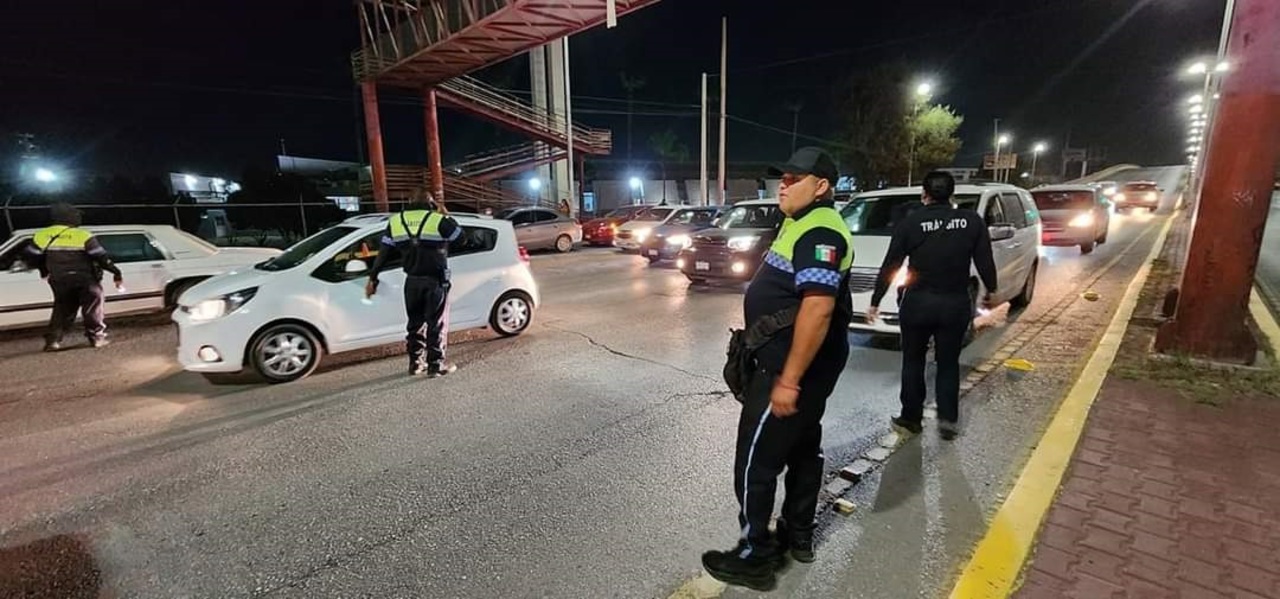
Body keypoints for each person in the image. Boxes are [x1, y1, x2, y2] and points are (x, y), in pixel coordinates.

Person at [703, 147, 854, 591]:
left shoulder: (821, 231)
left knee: (755, 464)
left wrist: (789, 379)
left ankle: (755, 556)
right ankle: (798, 534)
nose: (782, 187)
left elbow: (818, 308)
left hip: (787, 370)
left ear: (821, 186)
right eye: (782, 179)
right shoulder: (801, 222)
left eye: (793, 179)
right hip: (796, 366)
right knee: (804, 448)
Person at [866, 171, 998, 440]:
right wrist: (991, 291)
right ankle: (948, 420)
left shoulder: (910, 223)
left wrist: (875, 301)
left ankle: (911, 418)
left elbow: (891, 265)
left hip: (918, 304)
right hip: (955, 303)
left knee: (913, 361)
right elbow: (985, 260)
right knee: (948, 362)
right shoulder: (971, 221)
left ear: (924, 194)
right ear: (952, 194)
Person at [365, 189, 462, 377]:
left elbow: (384, 253)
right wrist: (446, 216)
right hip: (435, 281)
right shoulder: (437, 220)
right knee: (436, 323)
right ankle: (435, 365)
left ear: (409, 201)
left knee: (414, 323)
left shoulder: (396, 222)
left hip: (411, 282)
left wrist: (373, 278)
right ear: (431, 203)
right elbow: (461, 238)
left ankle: (415, 363)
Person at [22, 203, 124, 351]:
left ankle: (53, 341)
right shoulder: (83, 235)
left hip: (59, 279)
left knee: (62, 309)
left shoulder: (42, 235)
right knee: (92, 308)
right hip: (85, 279)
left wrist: (44, 271)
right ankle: (96, 338)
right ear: (69, 217)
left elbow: (30, 257)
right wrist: (116, 272)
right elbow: (101, 257)